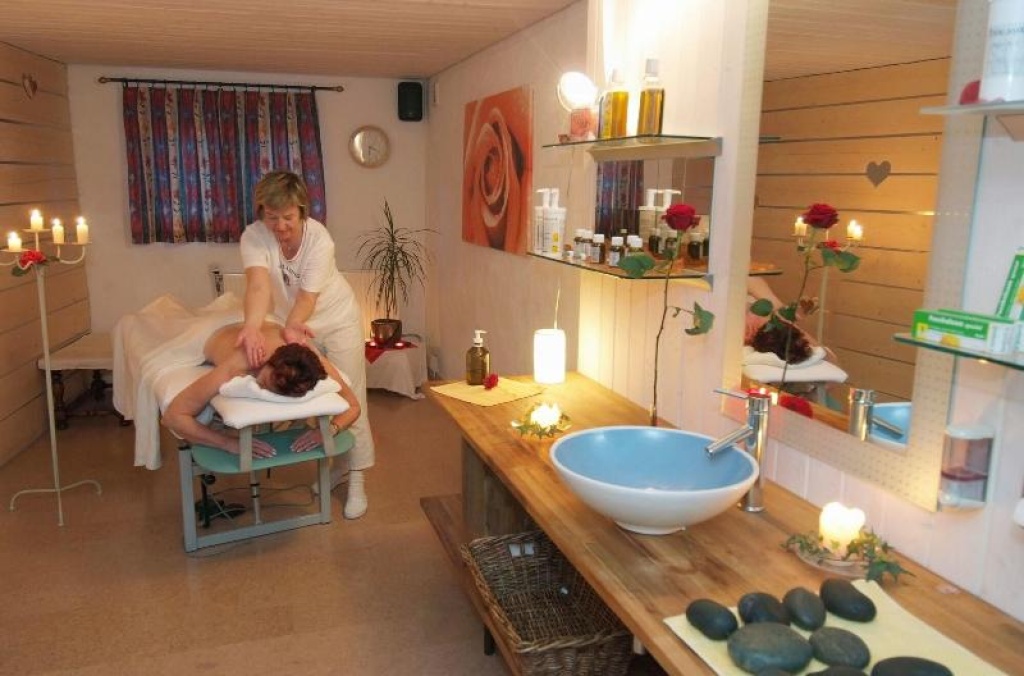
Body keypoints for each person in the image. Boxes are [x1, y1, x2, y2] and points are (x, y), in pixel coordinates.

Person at [237, 171, 374, 519]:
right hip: (294, 326)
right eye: (272, 217)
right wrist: (252, 327)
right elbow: (257, 286)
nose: (280, 227)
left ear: (301, 210)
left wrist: (293, 325)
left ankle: (357, 476)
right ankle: (336, 465)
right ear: (261, 212)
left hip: (335, 319)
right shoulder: (254, 237)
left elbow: (307, 297)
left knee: (350, 394)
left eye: (288, 217)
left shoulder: (319, 240)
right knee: (315, 396)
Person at [162, 322, 360, 458]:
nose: (260, 386)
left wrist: (329, 430)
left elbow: (353, 407)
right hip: (216, 329)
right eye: (263, 383)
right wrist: (228, 443)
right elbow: (172, 416)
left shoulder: (310, 361)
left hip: (268, 322)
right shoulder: (238, 363)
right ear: (268, 361)